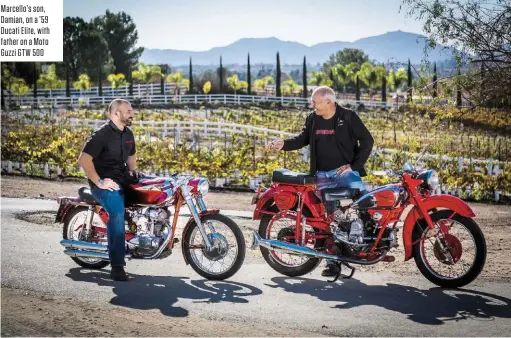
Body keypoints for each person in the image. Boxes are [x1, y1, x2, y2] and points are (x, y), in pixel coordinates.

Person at [265, 86, 374, 277]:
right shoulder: (313, 118)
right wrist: (283, 144)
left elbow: (367, 140)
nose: (312, 105)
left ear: (328, 102)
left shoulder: (348, 117)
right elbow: (301, 140)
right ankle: (332, 262)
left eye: (315, 102)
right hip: (322, 175)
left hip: (346, 173)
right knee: (328, 218)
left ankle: (366, 245)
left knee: (364, 205)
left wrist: (354, 166)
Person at [78, 98, 139, 282]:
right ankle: (117, 266)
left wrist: (133, 171)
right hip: (104, 183)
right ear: (115, 114)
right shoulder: (101, 135)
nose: (132, 114)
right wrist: (99, 181)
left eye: (131, 110)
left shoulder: (128, 134)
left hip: (122, 178)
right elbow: (83, 159)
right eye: (128, 111)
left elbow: (132, 156)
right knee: (117, 213)